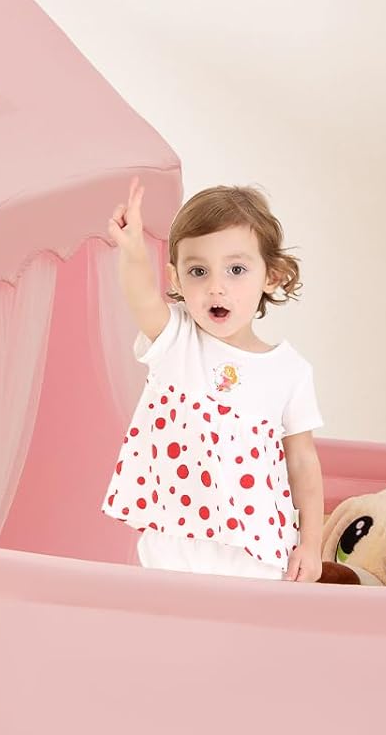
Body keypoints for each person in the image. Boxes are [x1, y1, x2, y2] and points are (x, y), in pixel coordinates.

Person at [102, 180, 324, 582]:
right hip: (174, 539)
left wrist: (311, 543)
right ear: (176, 279)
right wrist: (133, 249)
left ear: (271, 276)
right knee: (171, 637)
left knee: (246, 642)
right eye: (198, 271)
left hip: (256, 551)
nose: (216, 286)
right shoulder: (176, 341)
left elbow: (303, 462)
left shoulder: (290, 370)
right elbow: (141, 297)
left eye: (236, 269)